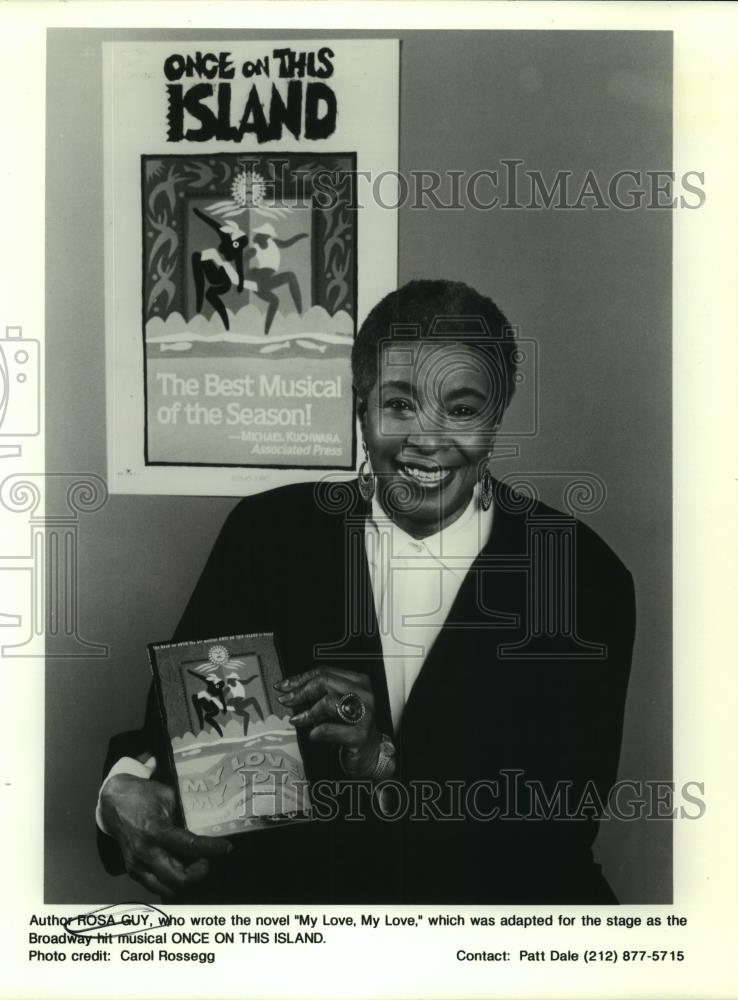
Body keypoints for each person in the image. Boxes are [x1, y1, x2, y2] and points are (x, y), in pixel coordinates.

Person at [97, 279, 635, 904]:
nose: (427, 440)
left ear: (498, 412)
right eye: (400, 405)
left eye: (461, 409)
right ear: (361, 405)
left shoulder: (578, 575)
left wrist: (379, 759)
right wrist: (119, 791)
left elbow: (557, 827)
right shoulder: (267, 535)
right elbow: (194, 753)